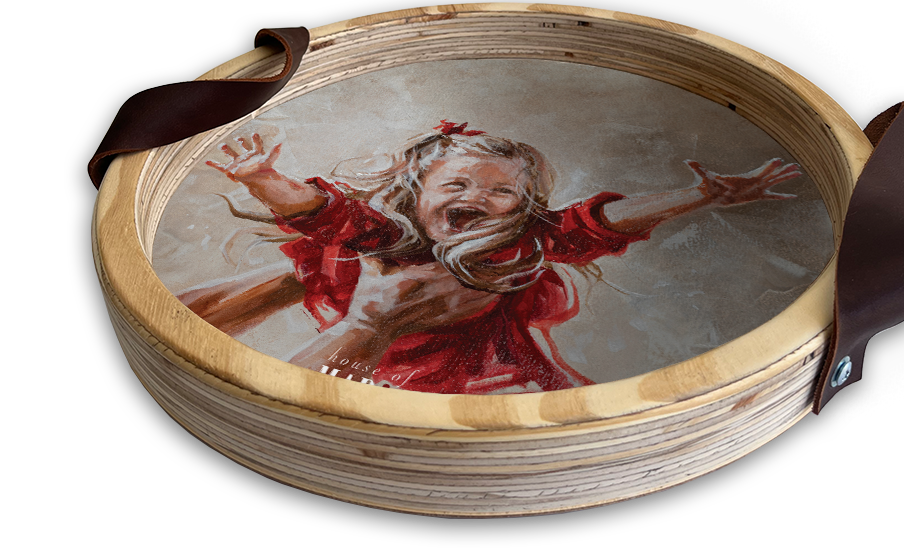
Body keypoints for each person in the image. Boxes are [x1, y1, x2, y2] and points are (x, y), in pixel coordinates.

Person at [196, 121, 801, 393]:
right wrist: (263, 178)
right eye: (456, 186)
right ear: (418, 194)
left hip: (470, 366)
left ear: (521, 206)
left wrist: (697, 196)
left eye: (499, 192)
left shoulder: (521, 243)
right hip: (374, 345)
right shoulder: (388, 235)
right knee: (321, 280)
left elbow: (597, 222)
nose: (477, 198)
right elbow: (321, 212)